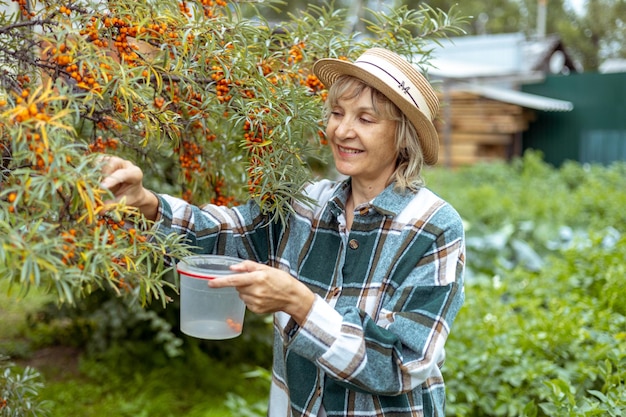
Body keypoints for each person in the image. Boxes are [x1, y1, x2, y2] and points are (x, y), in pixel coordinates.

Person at [100, 47, 465, 417]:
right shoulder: (305, 204)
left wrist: (301, 304)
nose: (342, 130)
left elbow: (401, 365)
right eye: (337, 113)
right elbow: (225, 234)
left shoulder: (433, 227)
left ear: (403, 136)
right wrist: (144, 202)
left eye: (366, 119)